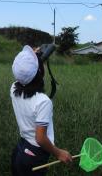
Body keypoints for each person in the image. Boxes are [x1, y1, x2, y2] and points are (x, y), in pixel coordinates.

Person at [10, 45, 72, 176]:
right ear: (40, 72)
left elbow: (24, 73)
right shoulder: (43, 102)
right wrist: (59, 153)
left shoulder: (14, 89)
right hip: (35, 155)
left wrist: (34, 60)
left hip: (21, 150)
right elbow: (40, 138)